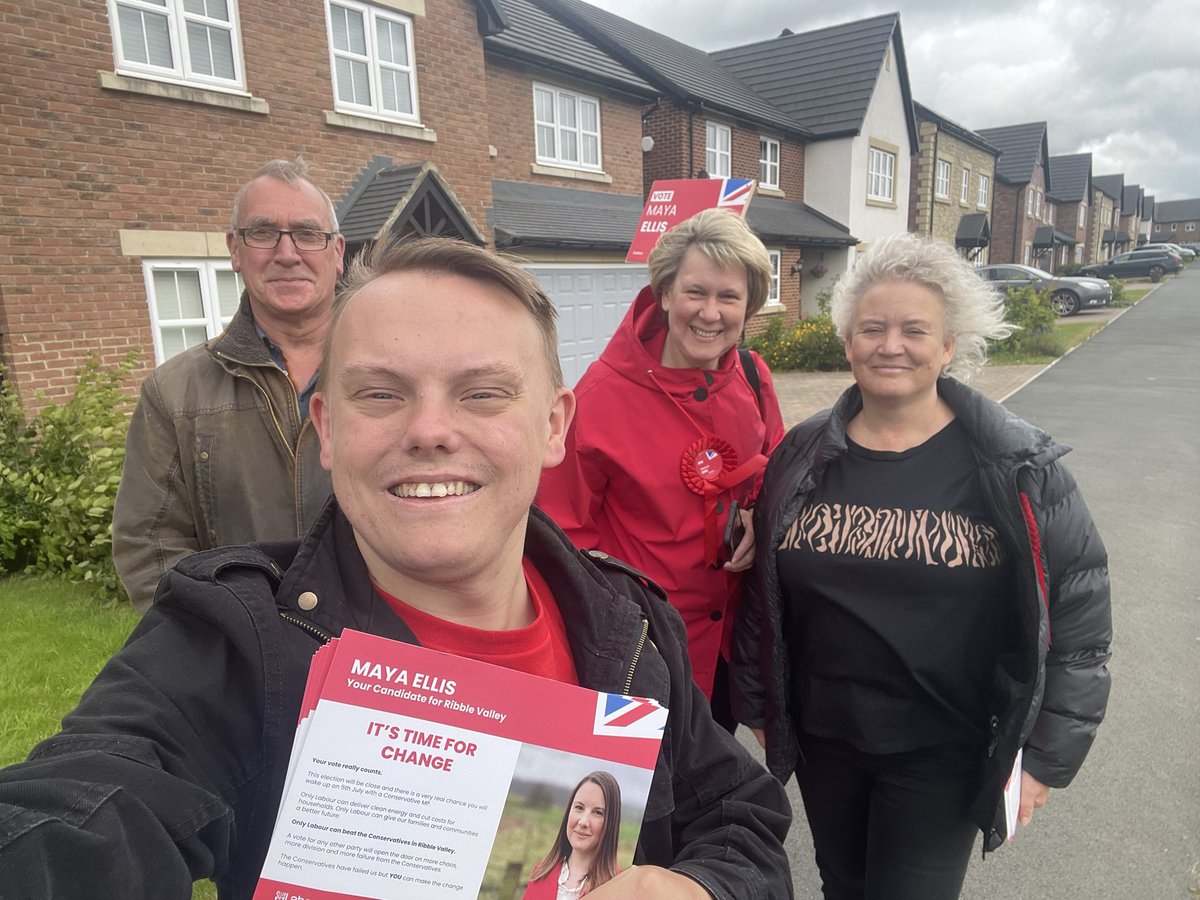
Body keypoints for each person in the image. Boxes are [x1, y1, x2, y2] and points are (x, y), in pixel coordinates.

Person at [0, 237, 792, 899]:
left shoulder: (626, 624)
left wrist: (697, 888)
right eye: (380, 394)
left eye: (482, 393)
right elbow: (88, 804)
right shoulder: (241, 638)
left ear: (553, 427)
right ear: (329, 428)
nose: (431, 430)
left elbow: (741, 815)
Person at [730, 232, 1112, 900]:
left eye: (914, 329)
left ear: (947, 346)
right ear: (847, 342)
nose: (890, 345)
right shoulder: (801, 454)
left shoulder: (1014, 467)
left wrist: (1045, 761)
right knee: (842, 886)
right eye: (871, 328)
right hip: (826, 739)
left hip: (944, 749)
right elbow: (766, 597)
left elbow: (1080, 624)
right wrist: (759, 704)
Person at [537, 209, 785, 728]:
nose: (710, 313)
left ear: (749, 306)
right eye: (696, 292)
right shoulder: (600, 399)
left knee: (716, 790)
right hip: (644, 656)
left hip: (728, 649)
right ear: (666, 293)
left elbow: (773, 476)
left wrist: (758, 522)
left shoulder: (752, 376)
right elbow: (562, 535)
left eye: (729, 297)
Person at [112, 158, 344, 612]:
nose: (287, 253)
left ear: (337, 252)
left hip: (376, 655)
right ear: (235, 250)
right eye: (262, 233)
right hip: (241, 647)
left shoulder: (396, 375)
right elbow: (150, 544)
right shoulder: (175, 392)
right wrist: (213, 635)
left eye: (307, 234)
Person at [523, 771, 622, 898]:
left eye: (597, 812)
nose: (583, 822)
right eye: (579, 808)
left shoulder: (618, 888)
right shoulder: (540, 874)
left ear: (611, 823)